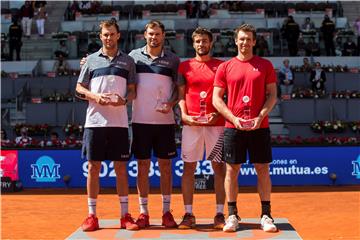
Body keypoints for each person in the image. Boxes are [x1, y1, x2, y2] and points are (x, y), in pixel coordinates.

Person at [212, 24, 278, 233]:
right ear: (235, 41)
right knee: (232, 170)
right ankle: (232, 215)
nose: (244, 43)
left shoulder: (265, 65)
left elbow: (272, 95)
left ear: (254, 41)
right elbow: (216, 98)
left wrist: (260, 117)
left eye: (248, 39)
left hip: (260, 126)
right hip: (233, 127)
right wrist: (233, 118)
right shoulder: (225, 67)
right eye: (241, 39)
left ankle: (266, 214)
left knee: (262, 169)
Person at [76, 18, 139, 232]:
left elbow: (132, 90)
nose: (108, 38)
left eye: (112, 34)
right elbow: (79, 88)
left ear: (118, 35)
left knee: (121, 169)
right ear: (100, 36)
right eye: (105, 34)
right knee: (94, 168)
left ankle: (125, 215)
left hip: (119, 124)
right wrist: (94, 96)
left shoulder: (128, 62)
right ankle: (92, 215)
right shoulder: (91, 61)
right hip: (94, 123)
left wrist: (124, 100)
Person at [129, 20, 179, 229]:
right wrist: (86, 61)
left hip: (165, 122)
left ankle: (166, 212)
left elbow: (179, 89)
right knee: (142, 166)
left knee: (165, 167)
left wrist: (172, 103)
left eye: (157, 34)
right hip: (140, 121)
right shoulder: (133, 57)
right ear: (145, 35)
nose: (153, 37)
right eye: (150, 33)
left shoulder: (173, 60)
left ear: (163, 36)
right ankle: (143, 212)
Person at [177, 27, 226, 229]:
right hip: (192, 125)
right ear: (193, 43)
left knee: (219, 168)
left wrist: (219, 112)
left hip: (216, 125)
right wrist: (184, 115)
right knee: (189, 168)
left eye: (205, 41)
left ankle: (220, 214)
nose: (201, 44)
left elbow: (227, 95)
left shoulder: (222, 66)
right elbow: (180, 95)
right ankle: (188, 214)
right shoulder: (184, 67)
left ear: (211, 43)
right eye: (198, 41)